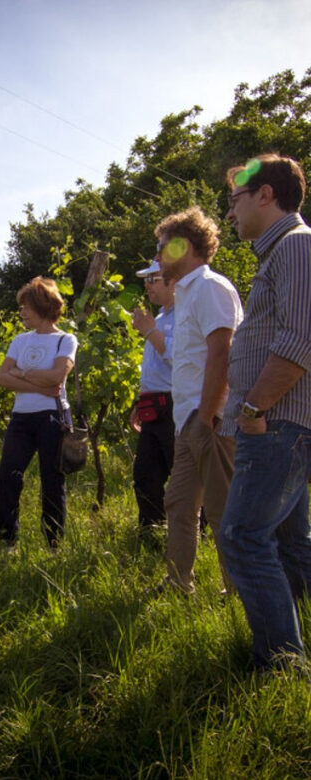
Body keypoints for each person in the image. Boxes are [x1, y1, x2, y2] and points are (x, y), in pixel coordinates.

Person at [219, 154, 311, 669]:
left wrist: (254, 407)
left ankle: (281, 663)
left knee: (242, 537)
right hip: (279, 422)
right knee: (290, 541)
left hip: (276, 423)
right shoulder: (282, 253)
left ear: (264, 195)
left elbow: (300, 339)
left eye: (234, 200)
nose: (230, 213)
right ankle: (295, 636)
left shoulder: (297, 247)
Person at [154, 206, 243, 594]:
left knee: (223, 511)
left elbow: (222, 353)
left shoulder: (210, 287)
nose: (157, 257)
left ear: (184, 246)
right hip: (188, 420)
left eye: (162, 248)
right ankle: (178, 583)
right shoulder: (187, 293)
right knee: (178, 504)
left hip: (210, 419)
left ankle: (238, 593)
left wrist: (208, 415)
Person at [0, 276, 77, 550]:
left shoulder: (65, 339)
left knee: (52, 481)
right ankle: (6, 539)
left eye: (26, 307)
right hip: (21, 418)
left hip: (52, 418)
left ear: (41, 306)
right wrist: (40, 385)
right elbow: (3, 379)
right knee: (8, 475)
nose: (22, 312)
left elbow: (57, 377)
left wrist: (23, 373)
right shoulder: (20, 340)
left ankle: (54, 543)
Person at [130, 260, 175, 528]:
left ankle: (200, 536)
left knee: (184, 477)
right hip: (153, 405)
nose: (147, 285)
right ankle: (152, 533)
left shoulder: (185, 315)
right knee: (145, 475)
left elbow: (180, 358)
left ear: (174, 280)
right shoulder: (159, 318)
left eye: (153, 279)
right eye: (146, 280)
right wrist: (141, 399)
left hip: (176, 405)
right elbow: (155, 367)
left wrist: (149, 331)